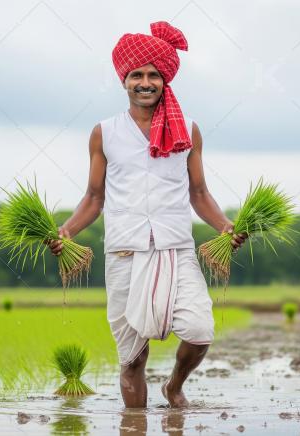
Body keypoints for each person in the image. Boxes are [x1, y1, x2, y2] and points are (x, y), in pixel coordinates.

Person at [46, 21, 247, 409]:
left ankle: (174, 385)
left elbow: (199, 192)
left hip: (176, 249)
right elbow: (93, 196)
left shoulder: (186, 130)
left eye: (154, 75)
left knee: (201, 330)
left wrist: (225, 226)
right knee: (132, 358)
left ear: (165, 80)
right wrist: (66, 231)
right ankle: (134, 424)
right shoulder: (104, 133)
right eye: (136, 74)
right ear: (124, 80)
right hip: (124, 253)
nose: (145, 82)